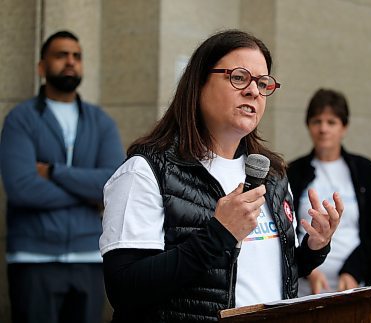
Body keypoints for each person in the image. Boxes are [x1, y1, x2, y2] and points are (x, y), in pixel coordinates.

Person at [99, 29, 343, 322]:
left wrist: (314, 248)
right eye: (239, 78)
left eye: (263, 83)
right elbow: (124, 290)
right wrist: (218, 235)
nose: (253, 91)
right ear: (199, 83)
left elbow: (265, 273)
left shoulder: (272, 175)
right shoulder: (146, 171)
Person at [0, 30, 125, 323]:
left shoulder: (101, 121)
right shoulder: (21, 119)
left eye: (76, 56)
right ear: (42, 67)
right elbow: (21, 188)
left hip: (89, 258)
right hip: (33, 257)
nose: (70, 62)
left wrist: (54, 172)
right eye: (61, 55)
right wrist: (87, 193)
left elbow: (113, 187)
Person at [288, 89, 371, 295]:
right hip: (306, 290)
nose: (323, 129)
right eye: (317, 121)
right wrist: (307, 267)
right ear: (308, 126)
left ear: (344, 127)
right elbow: (285, 229)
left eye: (331, 122)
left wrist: (353, 270)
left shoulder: (365, 169)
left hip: (358, 285)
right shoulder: (292, 171)